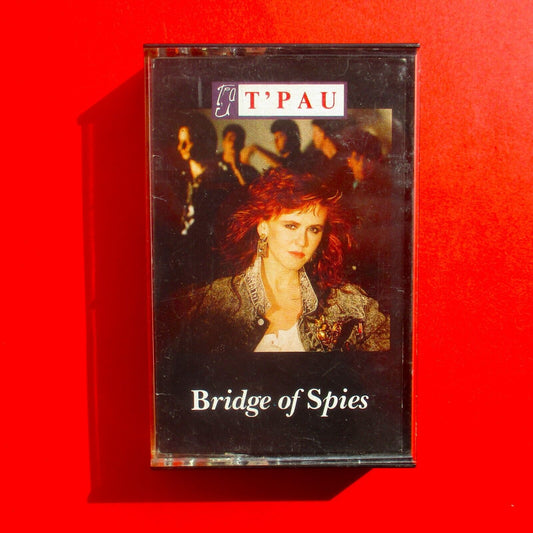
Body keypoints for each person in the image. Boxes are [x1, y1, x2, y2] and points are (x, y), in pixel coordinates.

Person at [164, 168, 390, 353]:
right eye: (291, 226)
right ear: (263, 227)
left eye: (313, 229)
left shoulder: (349, 304)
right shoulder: (210, 302)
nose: (302, 241)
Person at [241, 119, 306, 172]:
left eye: (280, 136)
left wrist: (256, 148)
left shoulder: (301, 160)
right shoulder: (273, 167)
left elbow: (284, 168)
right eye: (275, 138)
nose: (275, 141)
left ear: (292, 137)